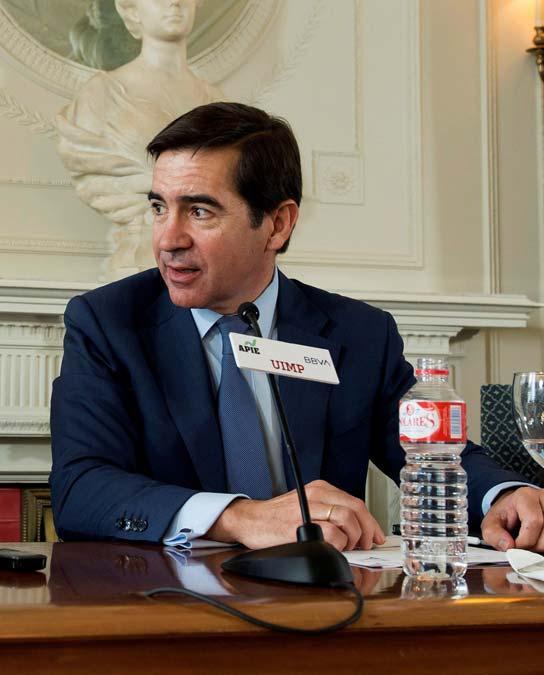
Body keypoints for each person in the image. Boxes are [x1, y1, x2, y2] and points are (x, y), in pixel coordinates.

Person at [49, 101, 544, 552]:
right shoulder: (109, 323)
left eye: (199, 211)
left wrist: (506, 493)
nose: (168, 239)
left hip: (324, 609)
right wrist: (239, 517)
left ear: (278, 224)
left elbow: (429, 451)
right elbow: (81, 490)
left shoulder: (358, 334)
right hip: (169, 613)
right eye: (159, 207)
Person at [56, 0, 221, 278]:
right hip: (132, 262)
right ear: (131, 9)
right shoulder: (99, 97)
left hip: (206, 270)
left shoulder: (218, 103)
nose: (175, 3)